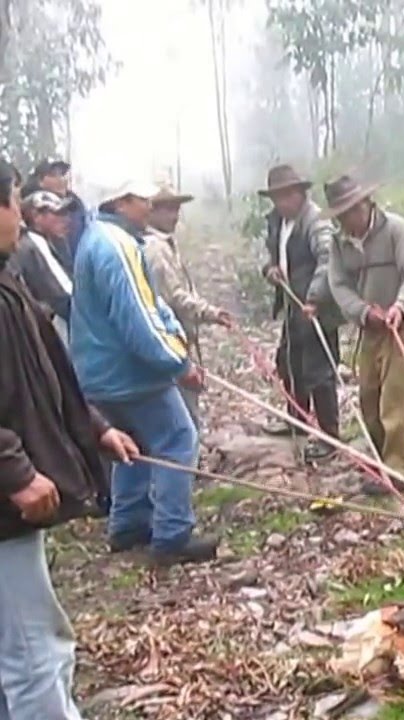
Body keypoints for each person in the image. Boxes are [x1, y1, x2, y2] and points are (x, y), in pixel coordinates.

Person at [0, 159, 139, 719]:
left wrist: (95, 428)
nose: (20, 215)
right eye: (13, 201)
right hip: (5, 511)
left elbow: (46, 371)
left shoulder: (7, 278)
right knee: (36, 654)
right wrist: (13, 469)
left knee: (23, 652)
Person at [70, 180, 216, 566]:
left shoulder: (98, 237)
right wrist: (178, 364)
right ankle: (172, 534)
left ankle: (128, 524)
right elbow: (139, 320)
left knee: (130, 445)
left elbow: (152, 305)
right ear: (121, 202)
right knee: (177, 437)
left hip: (100, 372)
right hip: (128, 373)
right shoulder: (117, 248)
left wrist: (176, 343)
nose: (150, 205)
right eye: (142, 199)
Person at [326, 174, 404, 478]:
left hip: (402, 329)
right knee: (369, 397)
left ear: (367, 204)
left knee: (397, 400)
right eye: (341, 215)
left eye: (352, 210)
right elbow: (339, 285)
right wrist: (362, 312)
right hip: (370, 329)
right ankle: (380, 458)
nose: (348, 220)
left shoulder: (397, 230)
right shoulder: (338, 242)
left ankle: (400, 469)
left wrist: (401, 307)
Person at [258, 165, 343, 461]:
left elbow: (328, 259)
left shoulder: (316, 222)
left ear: (301, 193)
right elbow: (270, 257)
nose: (282, 203)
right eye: (277, 197)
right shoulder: (277, 222)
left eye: (287, 195)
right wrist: (270, 270)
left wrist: (315, 297)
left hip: (316, 308)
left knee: (318, 372)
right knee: (288, 363)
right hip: (293, 307)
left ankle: (330, 438)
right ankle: (298, 421)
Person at [143, 186, 233, 431]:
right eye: (167, 210)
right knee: (183, 412)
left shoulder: (167, 245)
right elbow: (175, 297)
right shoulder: (156, 249)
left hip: (178, 336)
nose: (174, 216)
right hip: (171, 340)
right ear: (151, 213)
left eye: (176, 209)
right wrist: (211, 313)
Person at [12, 191, 74, 343]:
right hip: (50, 331)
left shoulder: (38, 241)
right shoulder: (35, 243)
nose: (65, 219)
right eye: (57, 213)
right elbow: (65, 296)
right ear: (36, 217)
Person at [22, 159, 89, 260]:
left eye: (63, 173)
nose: (61, 178)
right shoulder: (29, 206)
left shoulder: (77, 206)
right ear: (40, 180)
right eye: (53, 174)